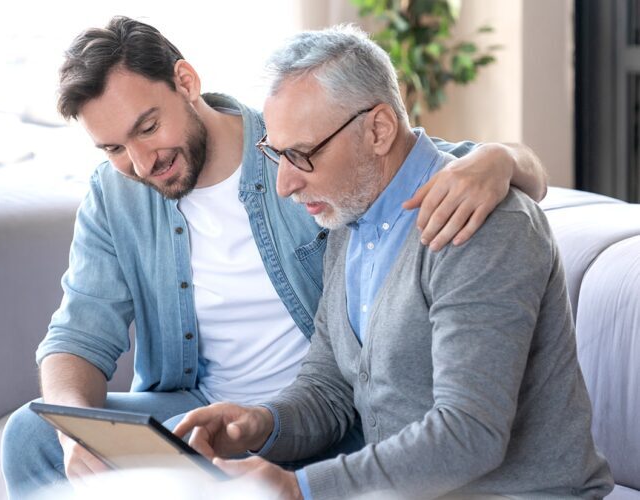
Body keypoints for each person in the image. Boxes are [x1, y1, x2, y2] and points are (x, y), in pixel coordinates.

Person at [1, 17, 547, 499]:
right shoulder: (118, 194)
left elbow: (415, 159)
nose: (142, 163)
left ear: (186, 82)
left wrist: (502, 158)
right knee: (32, 434)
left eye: (147, 128)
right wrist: (79, 433)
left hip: (334, 422)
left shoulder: (301, 145)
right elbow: (78, 334)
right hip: (219, 419)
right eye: (114, 148)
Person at [173, 25, 614, 499]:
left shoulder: (479, 223)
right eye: (276, 155)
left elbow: (470, 434)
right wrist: (259, 423)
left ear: (378, 130)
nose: (284, 185)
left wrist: (300, 488)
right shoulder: (347, 217)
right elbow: (330, 390)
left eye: (300, 156)